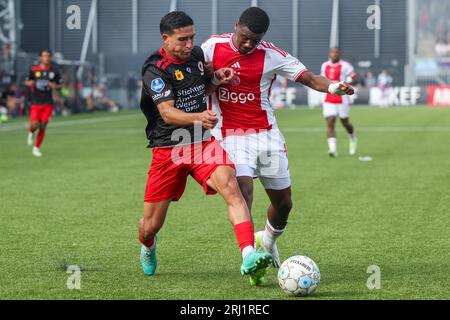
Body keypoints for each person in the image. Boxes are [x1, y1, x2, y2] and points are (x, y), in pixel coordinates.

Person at [201, 7, 354, 285]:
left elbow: (308, 77)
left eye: (254, 40)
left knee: (283, 204)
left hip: (266, 135)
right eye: (244, 37)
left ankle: (267, 241)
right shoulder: (212, 47)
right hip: (230, 134)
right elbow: (198, 82)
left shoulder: (272, 55)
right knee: (242, 186)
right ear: (236, 25)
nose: (248, 44)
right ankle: (249, 257)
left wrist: (333, 87)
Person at [138, 11, 272, 280]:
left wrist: (216, 78)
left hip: (201, 142)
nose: (190, 45)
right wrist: (199, 116)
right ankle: (148, 245)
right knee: (151, 225)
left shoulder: (197, 56)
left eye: (192, 38)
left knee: (231, 183)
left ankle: (248, 254)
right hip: (169, 149)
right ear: (165, 39)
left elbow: (203, 90)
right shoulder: (155, 69)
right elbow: (167, 113)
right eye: (183, 39)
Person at [321, 47, 358, 157]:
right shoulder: (324, 65)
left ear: (339, 54)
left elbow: (354, 78)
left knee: (344, 122)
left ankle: (352, 137)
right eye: (333, 52)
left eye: (337, 52)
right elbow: (322, 79)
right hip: (328, 97)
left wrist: (348, 83)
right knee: (330, 121)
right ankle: (332, 149)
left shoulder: (346, 65)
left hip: (342, 98)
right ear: (329, 54)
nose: (335, 54)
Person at [25, 49, 62, 157]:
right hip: (36, 101)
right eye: (44, 56)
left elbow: (60, 84)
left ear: (50, 58)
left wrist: (55, 86)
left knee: (43, 125)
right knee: (35, 124)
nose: (46, 58)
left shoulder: (54, 71)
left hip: (48, 102)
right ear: (40, 57)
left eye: (48, 56)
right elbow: (27, 81)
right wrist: (29, 83)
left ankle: (36, 148)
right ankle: (31, 132)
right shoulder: (34, 70)